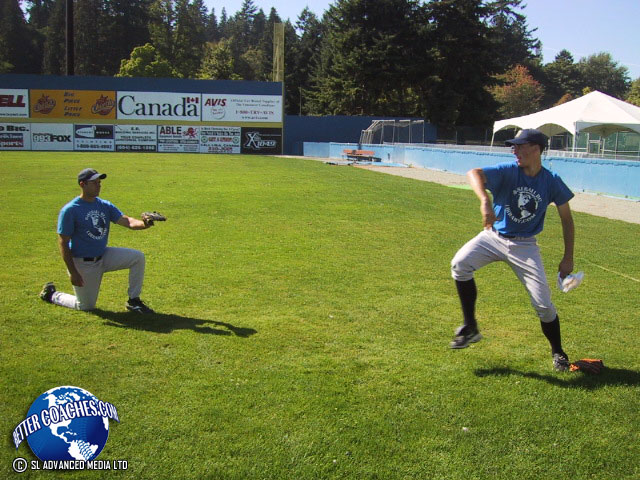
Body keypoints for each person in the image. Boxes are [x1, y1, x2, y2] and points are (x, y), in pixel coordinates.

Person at [449, 129, 575, 371]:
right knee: (460, 264)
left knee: (544, 305)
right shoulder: (508, 170)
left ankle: (558, 351)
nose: (514, 150)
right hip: (493, 236)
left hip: (525, 246)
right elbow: (473, 173)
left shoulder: (551, 180)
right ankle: (470, 326)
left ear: (536, 149)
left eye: (519, 146)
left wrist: (568, 257)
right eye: (513, 146)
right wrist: (484, 200)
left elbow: (567, 220)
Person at [40, 168, 155, 314]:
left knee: (137, 257)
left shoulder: (104, 205)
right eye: (94, 183)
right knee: (85, 306)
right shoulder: (70, 210)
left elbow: (127, 221)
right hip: (83, 263)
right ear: (82, 184)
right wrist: (73, 272)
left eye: (99, 182)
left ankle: (134, 300)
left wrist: (145, 223)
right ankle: (51, 294)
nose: (98, 185)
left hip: (104, 255)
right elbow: (63, 242)